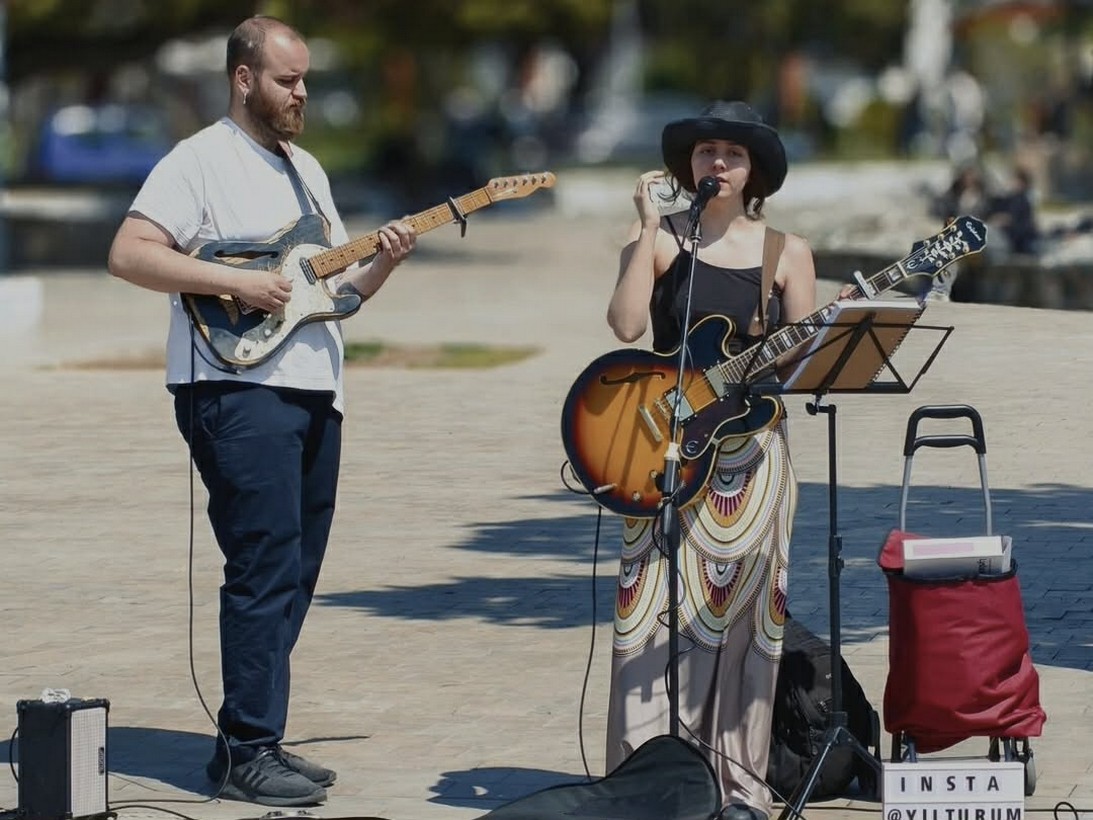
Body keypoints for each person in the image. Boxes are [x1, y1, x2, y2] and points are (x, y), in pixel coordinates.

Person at [107, 16, 416, 807]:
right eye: (286, 80)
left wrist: (381, 262)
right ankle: (250, 750)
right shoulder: (199, 160)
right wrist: (233, 283)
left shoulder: (306, 167)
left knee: (297, 569)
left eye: (305, 79)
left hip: (314, 387)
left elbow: (335, 296)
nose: (301, 92)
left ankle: (249, 735)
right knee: (263, 564)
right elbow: (131, 252)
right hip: (234, 390)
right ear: (244, 79)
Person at [604, 100, 816, 820]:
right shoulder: (663, 241)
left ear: (752, 169)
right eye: (703, 153)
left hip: (752, 459)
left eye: (730, 153)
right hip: (661, 454)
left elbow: (799, 367)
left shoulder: (786, 253)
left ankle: (736, 785)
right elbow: (627, 325)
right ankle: (646, 779)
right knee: (651, 619)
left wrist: (819, 336)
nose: (714, 164)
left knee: (746, 624)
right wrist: (640, 226)